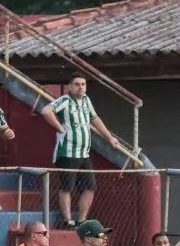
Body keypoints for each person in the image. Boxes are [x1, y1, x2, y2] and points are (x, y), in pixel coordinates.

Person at [39, 73, 120, 228]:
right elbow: (46, 111)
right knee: (67, 187)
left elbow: (95, 119)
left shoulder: (86, 100)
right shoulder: (65, 100)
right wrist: (59, 126)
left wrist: (109, 138)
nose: (80, 87)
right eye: (77, 84)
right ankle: (68, 220)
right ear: (70, 86)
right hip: (68, 152)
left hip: (84, 153)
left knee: (90, 187)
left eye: (83, 84)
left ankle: (82, 220)